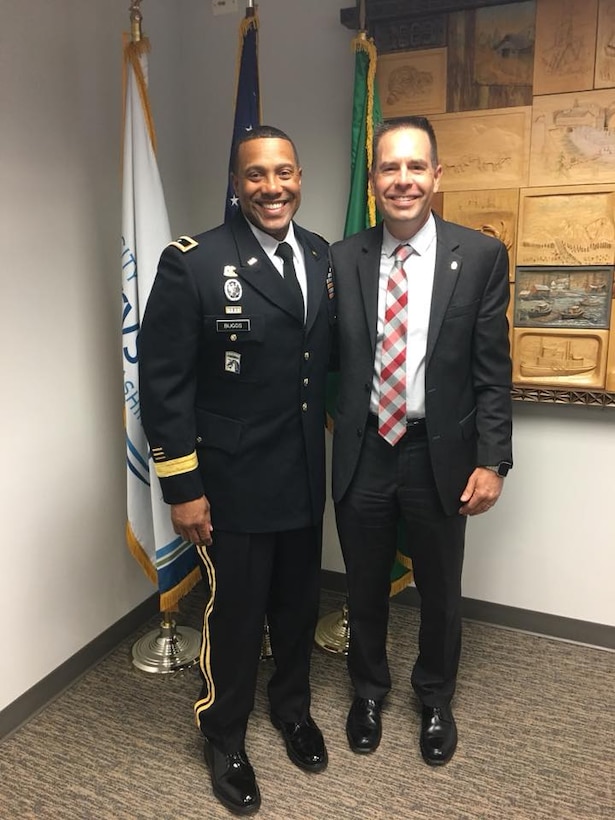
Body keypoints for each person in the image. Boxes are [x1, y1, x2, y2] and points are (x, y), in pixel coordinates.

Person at [138, 125, 334, 816]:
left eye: (283, 172)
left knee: (296, 605)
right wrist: (182, 488)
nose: (271, 186)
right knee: (237, 617)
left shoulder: (319, 255)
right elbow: (163, 389)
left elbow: (320, 369)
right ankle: (222, 735)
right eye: (256, 175)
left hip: (303, 474)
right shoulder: (192, 262)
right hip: (231, 482)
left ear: (299, 177)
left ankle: (291, 710)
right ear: (236, 182)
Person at [329, 116, 513, 767]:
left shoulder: (480, 256)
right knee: (363, 585)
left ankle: (434, 699)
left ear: (436, 175)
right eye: (388, 168)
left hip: (439, 456)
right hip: (363, 453)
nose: (401, 180)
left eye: (414, 167)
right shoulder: (341, 257)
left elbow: (492, 371)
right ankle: (368, 692)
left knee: (439, 588)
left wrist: (491, 461)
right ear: (374, 179)